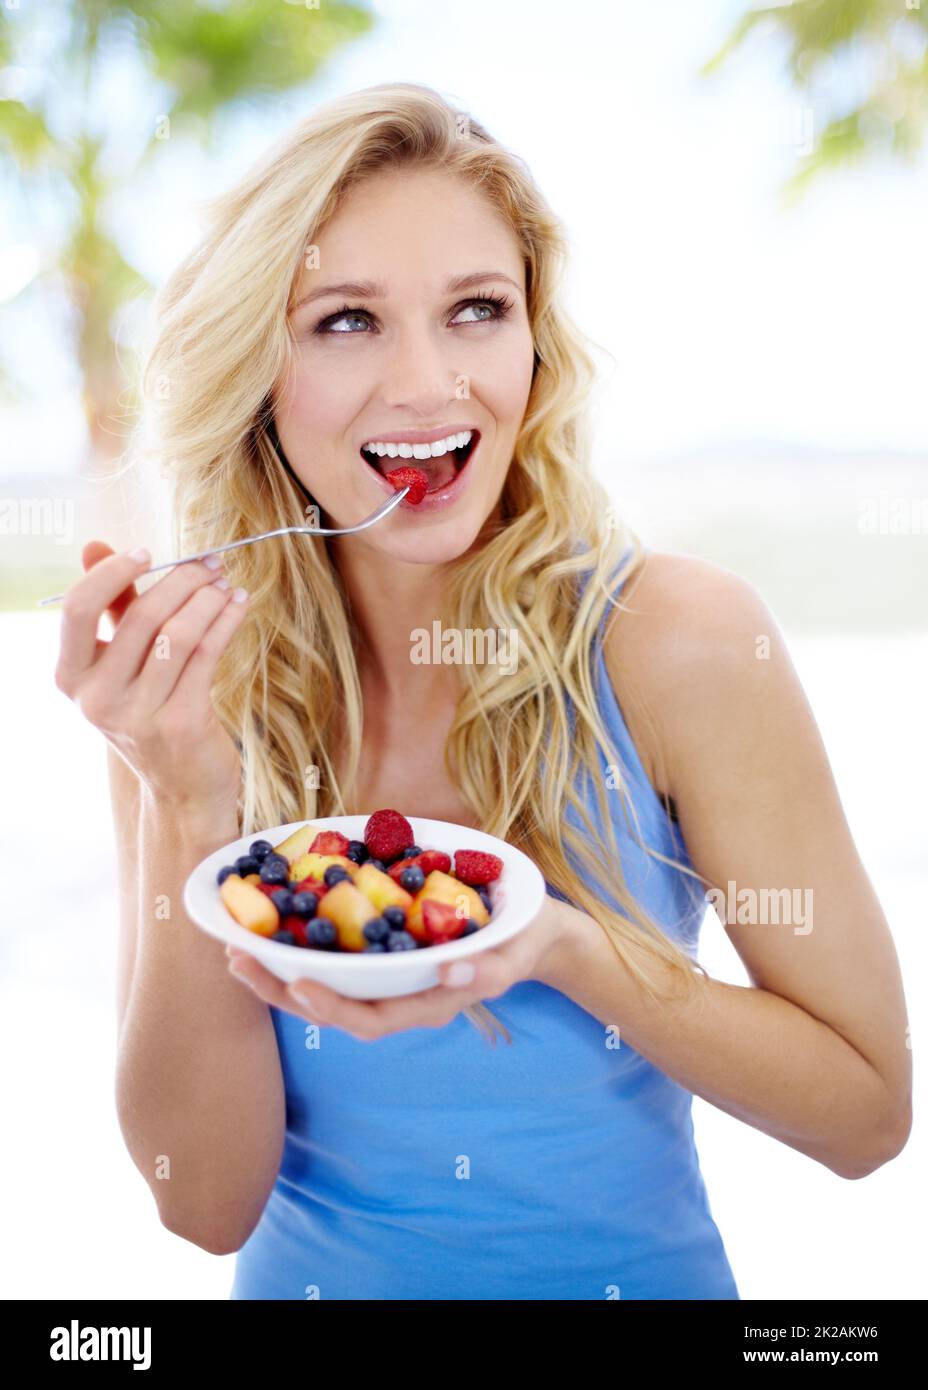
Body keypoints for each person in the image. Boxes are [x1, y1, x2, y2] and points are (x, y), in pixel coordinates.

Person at [55, 83, 911, 1300]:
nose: (430, 385)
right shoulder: (192, 683)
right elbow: (200, 1200)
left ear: (534, 344)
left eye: (477, 310)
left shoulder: (680, 641)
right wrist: (190, 804)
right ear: (255, 366)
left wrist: (564, 948)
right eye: (346, 320)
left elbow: (867, 1113)